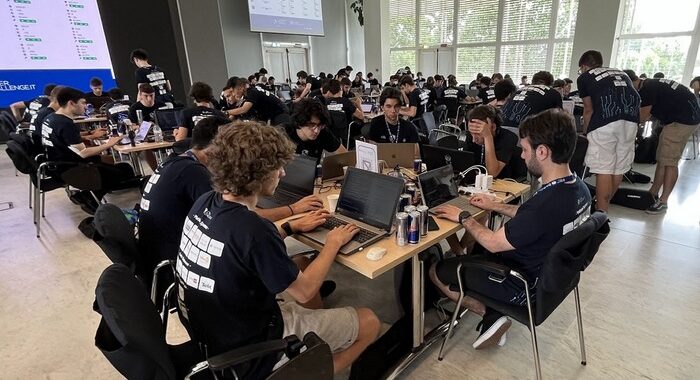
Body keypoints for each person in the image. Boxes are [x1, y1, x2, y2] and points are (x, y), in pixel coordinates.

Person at [175, 122, 380, 377]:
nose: (282, 174)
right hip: (253, 346)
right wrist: (333, 243)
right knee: (370, 321)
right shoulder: (252, 229)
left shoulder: (205, 202)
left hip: (213, 328)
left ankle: (315, 339)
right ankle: (309, 368)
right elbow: (304, 292)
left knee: (302, 263)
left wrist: (291, 227)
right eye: (277, 167)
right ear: (257, 174)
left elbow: (243, 250)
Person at [430, 108, 592, 350]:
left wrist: (463, 216)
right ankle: (494, 315)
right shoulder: (577, 188)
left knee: (436, 270)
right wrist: (495, 206)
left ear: (543, 151)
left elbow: (494, 242)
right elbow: (537, 221)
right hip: (553, 280)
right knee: (473, 256)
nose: (523, 156)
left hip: (521, 284)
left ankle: (493, 314)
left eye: (525, 150)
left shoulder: (546, 203)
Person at [139, 116, 324, 274]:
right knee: (297, 268)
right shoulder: (197, 177)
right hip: (177, 264)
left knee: (299, 264)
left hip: (175, 259)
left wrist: (289, 226)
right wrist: (293, 209)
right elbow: (245, 228)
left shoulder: (179, 166)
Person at [41, 87, 136, 213]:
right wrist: (110, 144)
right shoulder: (65, 124)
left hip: (57, 166)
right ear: (71, 103)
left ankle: (91, 194)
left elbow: (67, 141)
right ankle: (92, 196)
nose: (86, 107)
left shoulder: (51, 118)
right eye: (83, 103)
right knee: (125, 171)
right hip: (72, 170)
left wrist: (91, 134)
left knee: (121, 167)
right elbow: (83, 153)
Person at [625, 70, 700, 213]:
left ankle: (663, 201)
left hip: (682, 121)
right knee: (662, 158)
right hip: (680, 118)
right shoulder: (649, 84)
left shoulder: (646, 89)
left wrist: (625, 129)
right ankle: (653, 192)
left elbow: (642, 117)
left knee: (670, 161)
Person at [577, 50, 640, 212]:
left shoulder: (585, 77)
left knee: (603, 167)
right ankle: (605, 205)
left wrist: (586, 131)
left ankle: (600, 213)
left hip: (605, 121)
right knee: (619, 166)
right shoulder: (619, 72)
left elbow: (588, 109)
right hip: (631, 120)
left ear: (584, 66)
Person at [282, 97, 347, 160]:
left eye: (320, 125)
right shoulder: (282, 134)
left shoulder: (323, 132)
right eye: (311, 125)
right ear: (300, 122)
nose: (316, 131)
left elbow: (345, 155)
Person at [465, 105, 518, 179]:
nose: (474, 140)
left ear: (493, 127)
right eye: (471, 133)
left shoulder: (508, 138)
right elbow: (465, 165)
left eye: (478, 134)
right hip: (478, 183)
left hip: (504, 183)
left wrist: (487, 136)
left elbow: (492, 173)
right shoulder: (472, 136)